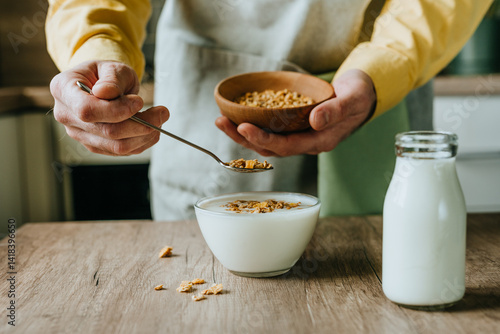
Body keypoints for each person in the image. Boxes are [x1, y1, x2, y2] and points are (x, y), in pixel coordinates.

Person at [46, 0, 492, 220]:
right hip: (211, 78)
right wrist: (97, 42)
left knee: (373, 273)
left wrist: (387, 64)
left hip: (379, 86)